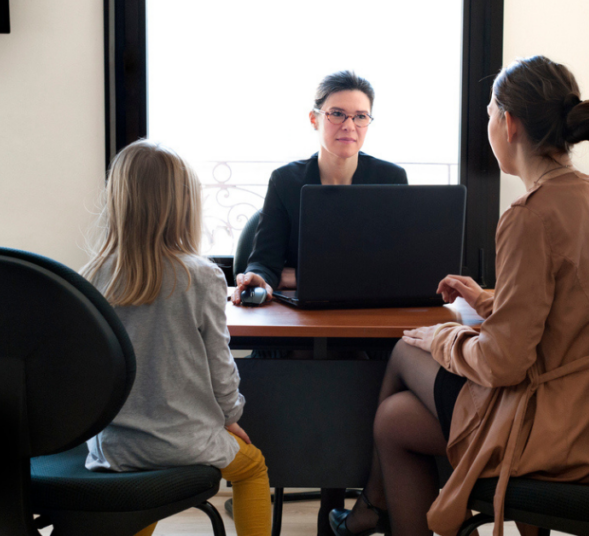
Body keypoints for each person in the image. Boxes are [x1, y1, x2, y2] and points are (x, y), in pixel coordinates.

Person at [328, 56, 589, 536]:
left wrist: (442, 338)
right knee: (394, 418)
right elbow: (574, 305)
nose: (487, 124)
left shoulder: (529, 215)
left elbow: (504, 363)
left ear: (507, 124)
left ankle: (374, 504)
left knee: (407, 349)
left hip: (560, 426)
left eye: (489, 112)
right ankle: (375, 503)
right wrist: (488, 299)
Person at [81, 140, 271, 536]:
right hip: (184, 441)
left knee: (139, 486)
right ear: (183, 206)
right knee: (253, 468)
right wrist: (231, 417)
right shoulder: (200, 276)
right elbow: (222, 368)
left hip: (114, 446)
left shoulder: (92, 277)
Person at [231, 70, 408, 305]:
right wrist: (258, 277)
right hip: (300, 315)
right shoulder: (285, 181)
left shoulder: (390, 178)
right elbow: (265, 262)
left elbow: (394, 269)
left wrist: (301, 277)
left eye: (360, 116)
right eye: (337, 114)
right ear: (314, 119)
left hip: (369, 310)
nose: (349, 125)